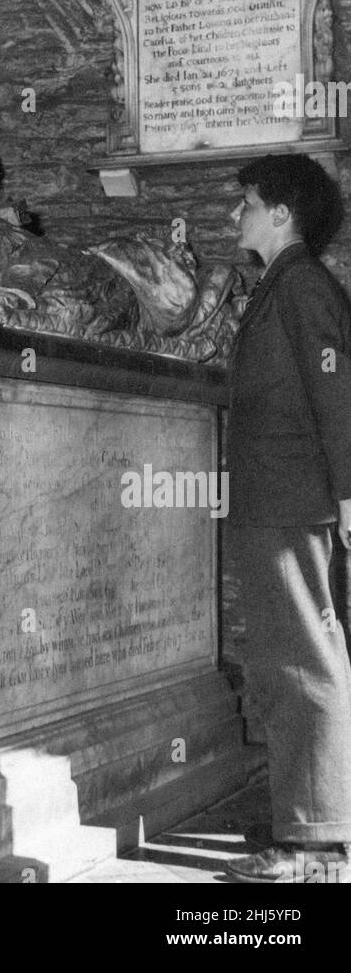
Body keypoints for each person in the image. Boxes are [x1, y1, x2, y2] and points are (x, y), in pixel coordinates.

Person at [224, 153, 351, 882]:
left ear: (281, 214)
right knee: (287, 662)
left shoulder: (303, 288)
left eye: (246, 203)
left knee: (302, 660)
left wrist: (348, 494)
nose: (236, 215)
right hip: (275, 498)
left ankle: (319, 851)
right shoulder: (285, 285)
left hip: (290, 499)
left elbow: (339, 397)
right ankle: (306, 818)